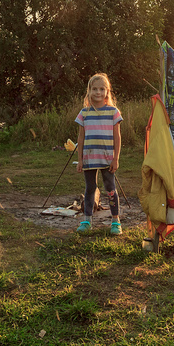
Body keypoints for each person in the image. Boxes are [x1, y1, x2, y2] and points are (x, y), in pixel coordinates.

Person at [75, 73, 122, 235]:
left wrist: (115, 158)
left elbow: (117, 137)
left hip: (107, 159)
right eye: (95, 89)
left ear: (107, 91)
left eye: (102, 89)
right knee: (90, 188)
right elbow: (80, 138)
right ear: (89, 91)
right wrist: (80, 159)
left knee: (110, 188)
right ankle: (87, 219)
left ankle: (115, 220)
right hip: (89, 158)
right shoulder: (84, 113)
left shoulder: (113, 112)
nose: (98, 92)